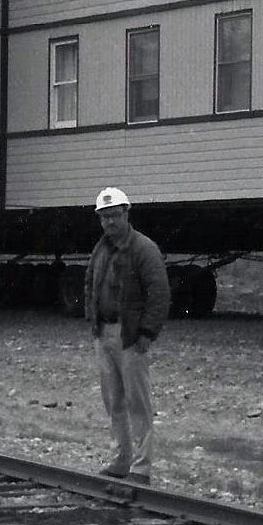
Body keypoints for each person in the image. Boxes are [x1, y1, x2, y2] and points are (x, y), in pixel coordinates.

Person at [84, 186, 170, 485]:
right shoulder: (102, 249)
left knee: (137, 401)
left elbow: (159, 293)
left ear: (126, 214)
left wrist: (147, 332)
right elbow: (90, 285)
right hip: (104, 333)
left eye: (114, 215)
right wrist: (93, 323)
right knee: (113, 401)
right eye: (104, 217)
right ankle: (120, 460)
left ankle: (141, 467)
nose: (110, 222)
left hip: (130, 336)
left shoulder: (144, 249)